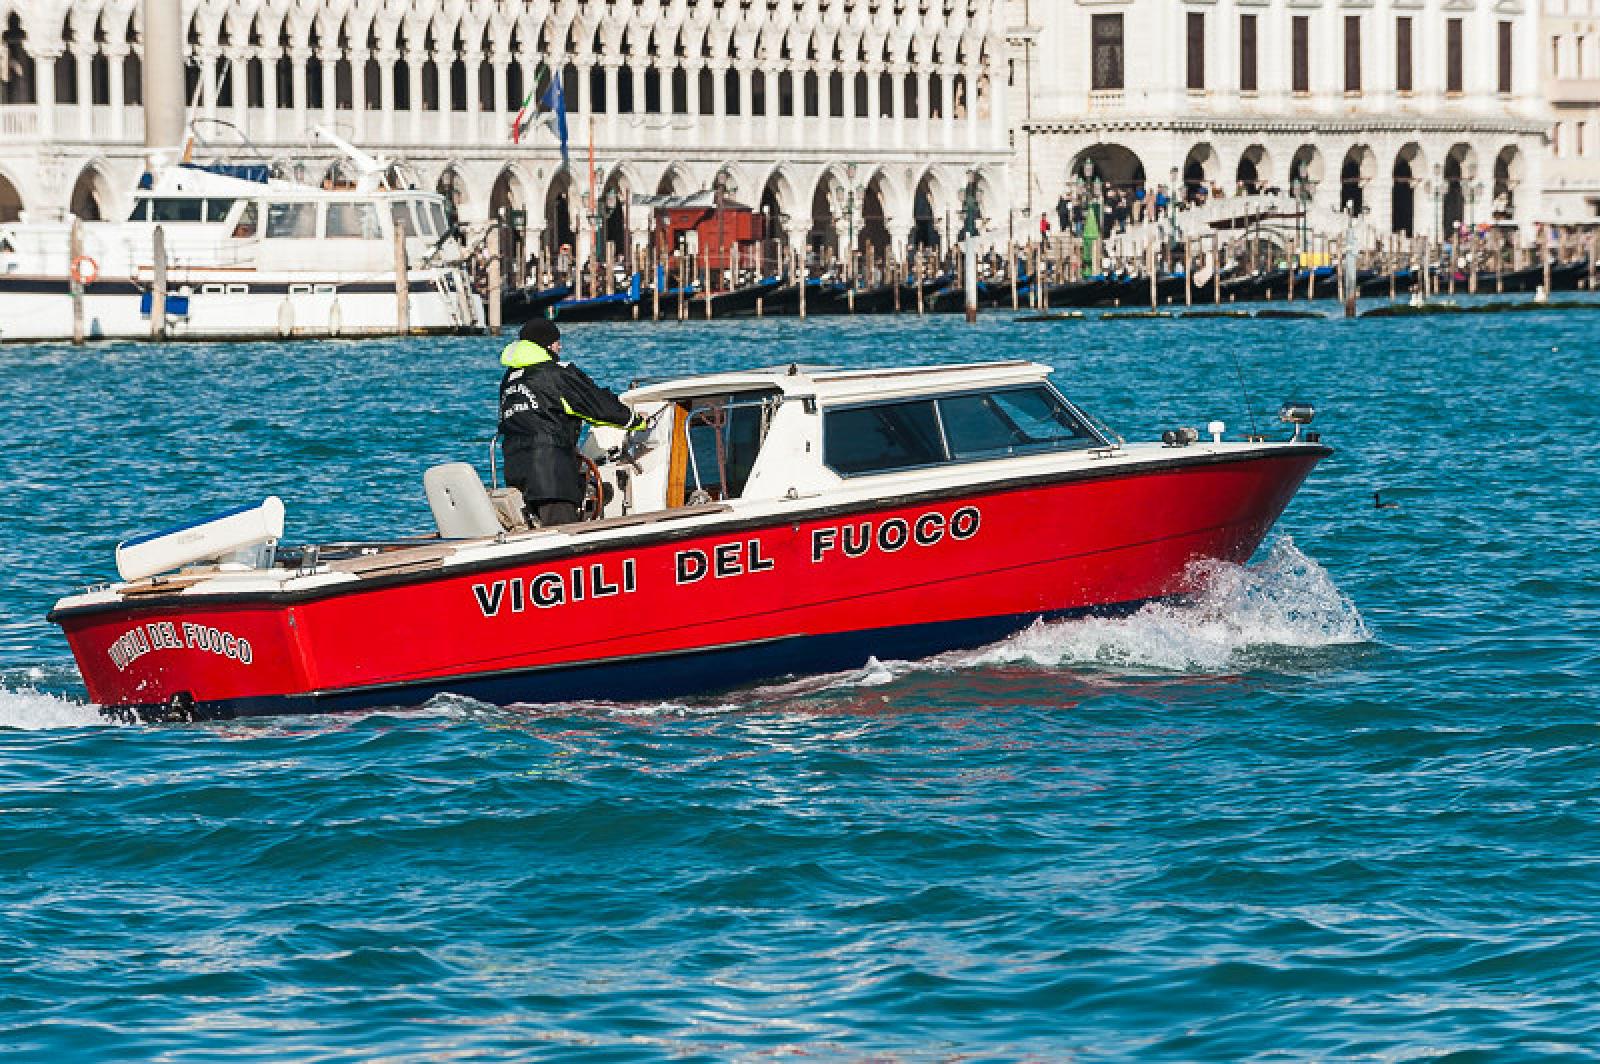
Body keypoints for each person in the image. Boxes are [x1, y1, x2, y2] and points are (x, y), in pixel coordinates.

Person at [498, 319, 645, 527]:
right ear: (547, 345)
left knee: (534, 531)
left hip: (515, 470)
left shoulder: (510, 378)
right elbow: (597, 407)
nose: (561, 347)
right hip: (551, 475)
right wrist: (636, 420)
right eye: (558, 342)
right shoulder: (557, 373)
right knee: (562, 534)